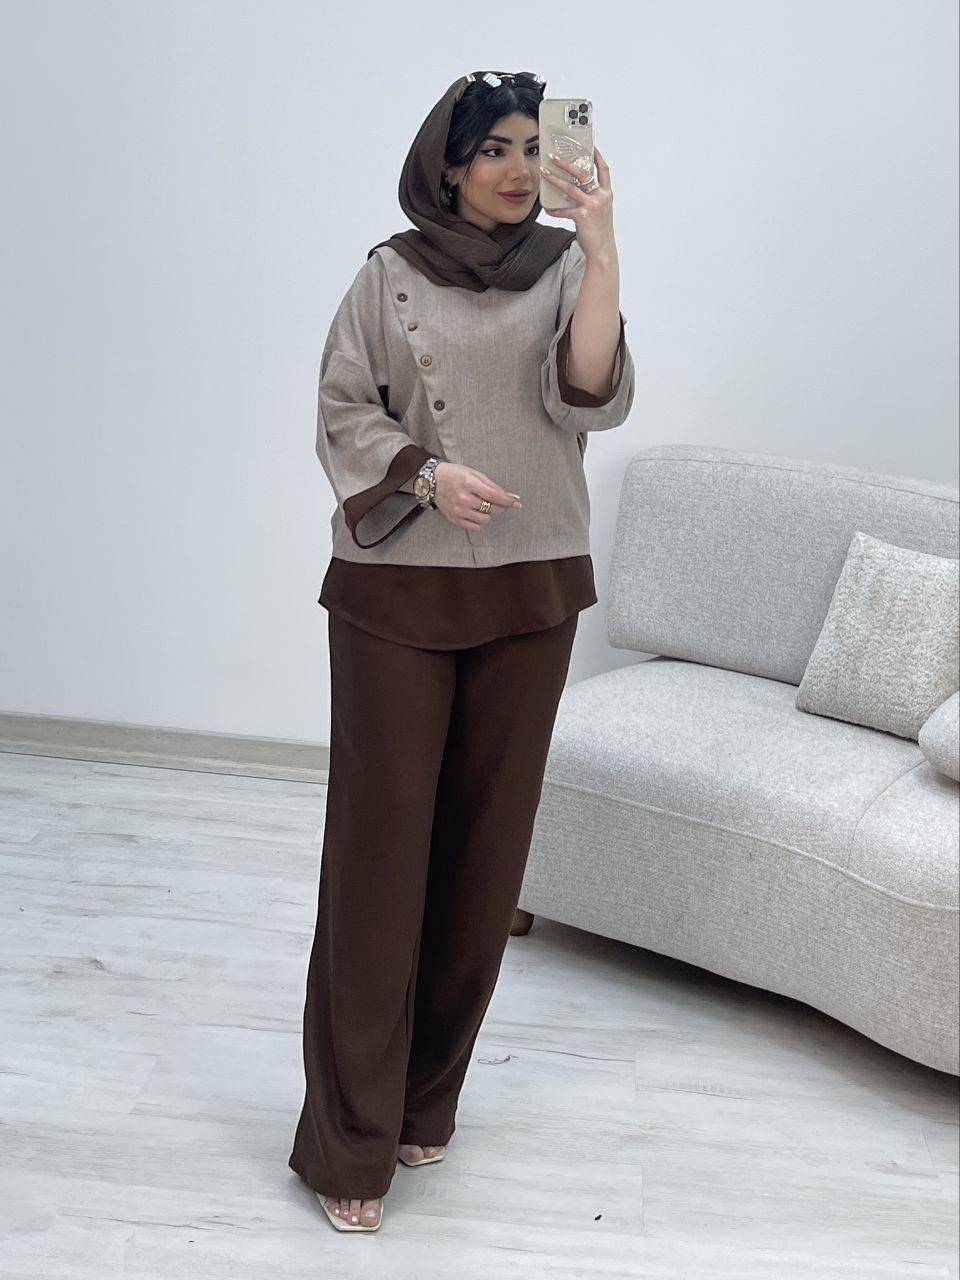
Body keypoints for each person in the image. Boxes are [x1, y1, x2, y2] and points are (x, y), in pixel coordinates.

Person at [288, 69, 636, 1233]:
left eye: (535, 146)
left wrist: (602, 242)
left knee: (485, 862)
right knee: (381, 861)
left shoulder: (566, 267)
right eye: (495, 149)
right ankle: (348, 1138)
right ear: (448, 163)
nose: (520, 168)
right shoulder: (386, 274)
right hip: (397, 585)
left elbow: (589, 392)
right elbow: (343, 409)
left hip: (533, 582)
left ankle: (425, 1098)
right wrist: (428, 475)